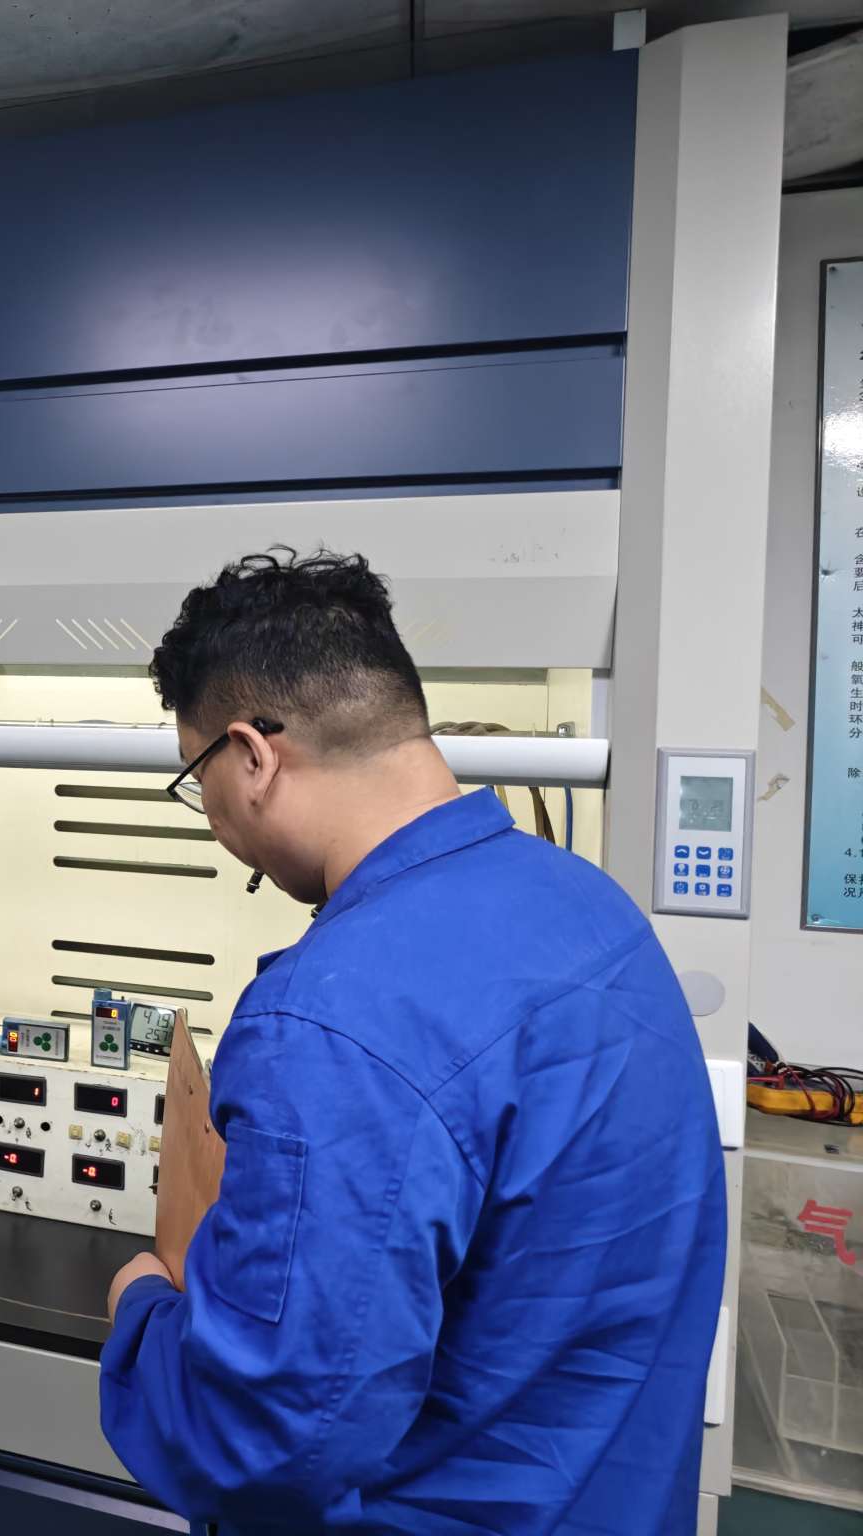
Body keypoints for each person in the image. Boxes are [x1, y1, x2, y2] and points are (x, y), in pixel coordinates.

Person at [101, 550, 726, 1534]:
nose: (212, 817)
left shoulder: (330, 1018)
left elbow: (264, 1440)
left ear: (251, 757)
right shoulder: (594, 913)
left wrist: (142, 1312)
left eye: (197, 778)